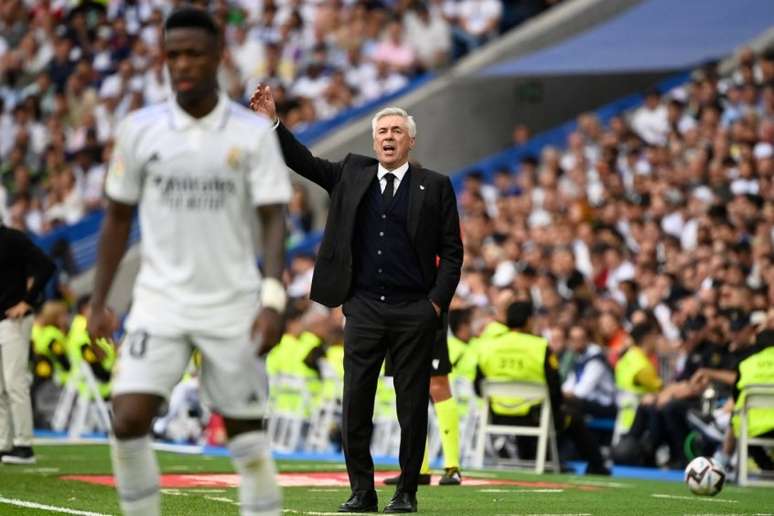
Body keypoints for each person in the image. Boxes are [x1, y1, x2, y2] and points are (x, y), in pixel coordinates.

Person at [88, 8, 291, 516]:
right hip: (160, 301)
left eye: (193, 53)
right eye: (173, 53)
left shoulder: (250, 133)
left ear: (218, 57)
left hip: (233, 302)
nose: (182, 63)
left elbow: (273, 218)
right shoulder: (139, 129)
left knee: (246, 434)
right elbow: (116, 218)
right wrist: (99, 301)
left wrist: (271, 297)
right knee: (129, 417)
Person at [250, 86, 463, 513]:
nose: (388, 136)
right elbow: (304, 161)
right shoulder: (352, 172)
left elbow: (453, 251)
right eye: (382, 130)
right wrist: (274, 123)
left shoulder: (435, 186)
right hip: (364, 306)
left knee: (411, 404)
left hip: (414, 310)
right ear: (373, 140)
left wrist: (435, 304)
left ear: (410, 140)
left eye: (396, 131)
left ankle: (406, 491)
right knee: (356, 401)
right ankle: (362, 491)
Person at [475, 301, 610, 475]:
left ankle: (540, 460)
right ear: (529, 320)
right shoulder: (539, 346)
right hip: (534, 416)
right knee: (570, 416)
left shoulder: (488, 347)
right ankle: (597, 466)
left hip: (497, 416)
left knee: (549, 412)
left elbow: (478, 387)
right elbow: (554, 387)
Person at [384, 312, 463, 486]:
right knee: (406, 387)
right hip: (394, 314)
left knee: (438, 384)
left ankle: (452, 467)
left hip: (426, 313)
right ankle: (417, 468)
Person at [0, 222, 55, 465]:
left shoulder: (12, 238)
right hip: (3, 318)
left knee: (15, 382)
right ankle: (4, 443)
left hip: (14, 319)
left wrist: (28, 300)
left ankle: (24, 445)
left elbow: (46, 266)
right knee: (1, 387)